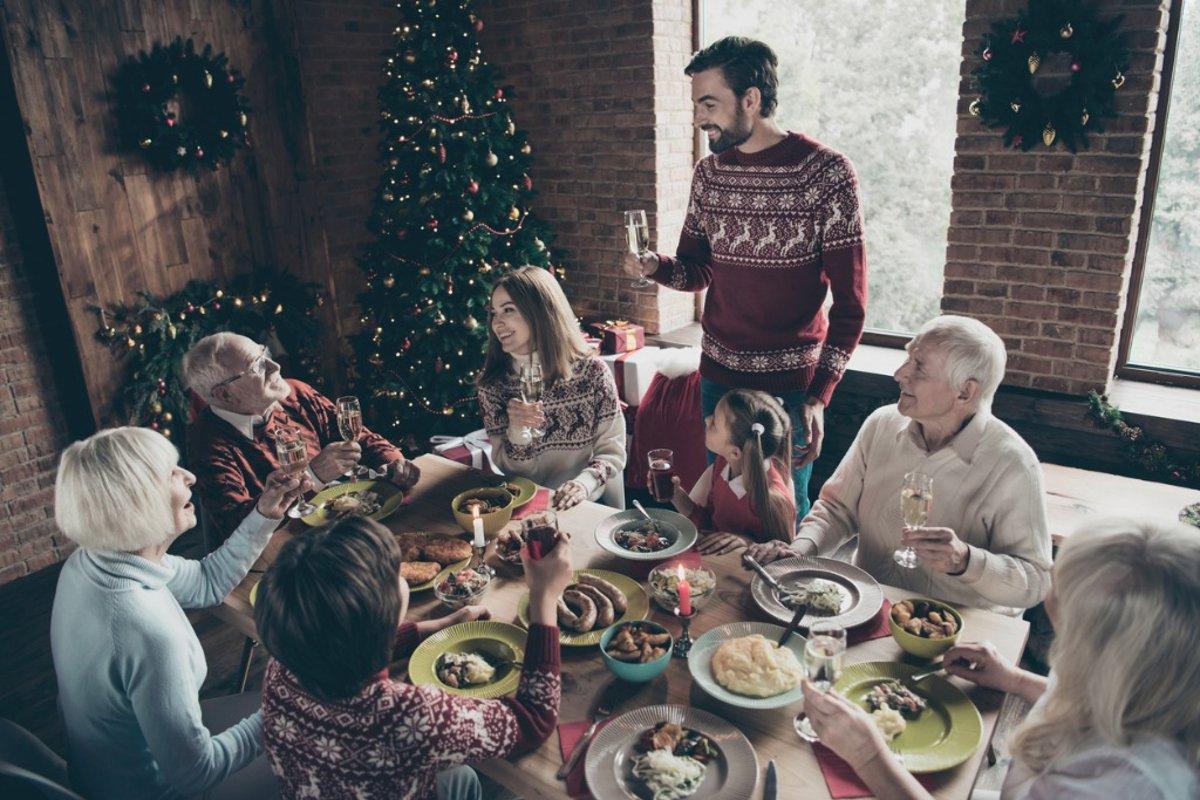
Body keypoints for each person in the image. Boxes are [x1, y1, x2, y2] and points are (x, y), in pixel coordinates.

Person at [622, 36, 867, 517]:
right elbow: (697, 271)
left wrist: (819, 397)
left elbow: (852, 305)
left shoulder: (827, 174)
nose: (699, 117)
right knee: (726, 504)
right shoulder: (709, 174)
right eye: (696, 105)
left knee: (784, 511)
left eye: (709, 103)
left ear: (751, 99)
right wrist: (655, 268)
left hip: (791, 388)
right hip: (719, 382)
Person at [802, 517, 1200, 800]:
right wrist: (1014, 679)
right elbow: (1101, 705)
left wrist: (870, 757)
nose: (1049, 596)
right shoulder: (1160, 687)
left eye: (1062, 613)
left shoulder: (1115, 786)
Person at [50, 426, 305, 800]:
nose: (190, 476)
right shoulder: (145, 631)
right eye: (170, 473)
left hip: (103, 774)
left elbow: (206, 581)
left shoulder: (92, 560)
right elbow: (196, 775)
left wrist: (265, 513)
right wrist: (288, 707)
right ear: (136, 503)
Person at [747, 315, 1052, 616]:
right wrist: (798, 551)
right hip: (867, 610)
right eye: (908, 358)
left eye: (919, 366)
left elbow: (1036, 581)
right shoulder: (881, 423)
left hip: (955, 634)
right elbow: (836, 509)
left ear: (965, 392)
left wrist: (967, 561)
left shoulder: (1013, 464)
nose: (899, 374)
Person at [254, 515, 572, 800]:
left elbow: (334, 643)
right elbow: (533, 721)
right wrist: (544, 597)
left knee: (460, 777)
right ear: (385, 609)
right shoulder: (406, 717)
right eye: (396, 574)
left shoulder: (281, 667)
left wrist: (440, 625)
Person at [183, 332, 420, 543]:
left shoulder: (295, 393)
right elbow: (236, 526)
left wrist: (392, 462)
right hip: (285, 552)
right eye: (257, 366)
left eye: (264, 353)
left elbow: (361, 438)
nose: (274, 366)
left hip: (340, 527)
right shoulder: (206, 441)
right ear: (225, 393)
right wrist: (313, 477)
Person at [476, 266, 626, 510]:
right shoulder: (493, 386)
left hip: (590, 504)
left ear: (540, 312)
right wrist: (518, 431)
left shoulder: (592, 373)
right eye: (493, 313)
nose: (497, 323)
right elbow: (512, 472)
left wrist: (582, 485)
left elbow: (612, 450)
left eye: (508, 310)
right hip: (529, 508)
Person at [665, 388, 796, 555]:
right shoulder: (723, 464)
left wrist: (746, 543)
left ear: (735, 453)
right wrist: (675, 494)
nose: (707, 420)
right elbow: (709, 523)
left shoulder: (773, 499)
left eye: (714, 425)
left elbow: (782, 554)